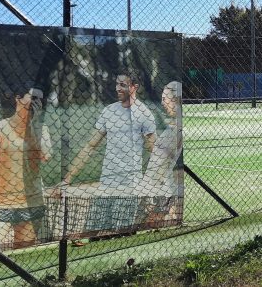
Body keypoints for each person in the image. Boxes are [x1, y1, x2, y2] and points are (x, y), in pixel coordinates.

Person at [62, 70, 156, 234]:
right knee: (94, 233)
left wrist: (148, 186)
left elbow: (153, 150)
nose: (117, 88)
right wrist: (68, 178)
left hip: (129, 186)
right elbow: (90, 146)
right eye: (116, 84)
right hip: (106, 183)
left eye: (123, 85)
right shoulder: (108, 111)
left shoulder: (145, 114)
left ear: (135, 87)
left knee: (122, 234)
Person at [0, 84, 51, 250]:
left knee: (24, 253)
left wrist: (36, 122)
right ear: (18, 98)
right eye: (33, 97)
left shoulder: (41, 128)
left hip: (31, 201)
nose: (37, 102)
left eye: (40, 100)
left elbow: (46, 155)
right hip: (0, 203)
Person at [143, 81, 184, 227]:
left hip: (159, 186)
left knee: (160, 217)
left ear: (175, 100)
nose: (162, 102)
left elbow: (166, 156)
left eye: (164, 99)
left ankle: (166, 214)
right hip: (157, 183)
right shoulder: (173, 125)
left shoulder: (177, 127)